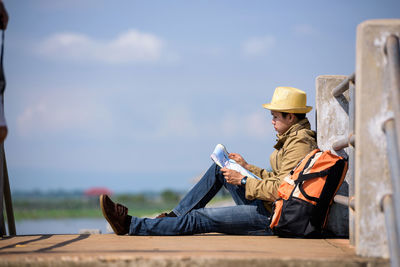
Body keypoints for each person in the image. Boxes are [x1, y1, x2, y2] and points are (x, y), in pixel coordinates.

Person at [100, 86, 317, 235]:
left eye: (276, 116)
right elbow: (280, 179)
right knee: (218, 169)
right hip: (272, 206)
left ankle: (130, 225)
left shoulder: (299, 144)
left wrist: (242, 180)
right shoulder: (291, 139)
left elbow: (281, 189)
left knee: (199, 218)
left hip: (274, 218)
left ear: (291, 117)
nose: (272, 121)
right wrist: (246, 167)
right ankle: (174, 216)